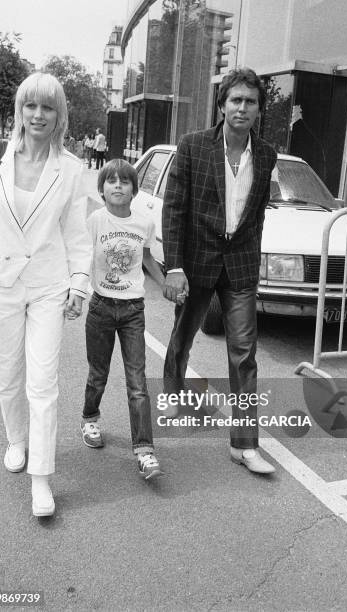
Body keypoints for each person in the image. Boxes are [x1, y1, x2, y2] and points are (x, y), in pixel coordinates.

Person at [0, 72, 91, 516]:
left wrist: (80, 283)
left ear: (59, 115)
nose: (38, 115)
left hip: (47, 286)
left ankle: (42, 478)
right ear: (20, 109)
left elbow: (76, 234)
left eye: (48, 107)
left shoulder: (72, 169)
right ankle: (17, 439)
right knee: (7, 376)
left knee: (43, 382)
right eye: (30, 106)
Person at [162, 67, 276, 475]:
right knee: (183, 336)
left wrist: (254, 260)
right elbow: (173, 209)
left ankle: (244, 446)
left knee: (244, 356)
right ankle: (173, 392)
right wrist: (174, 266)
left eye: (250, 102)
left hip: (241, 267)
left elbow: (257, 214)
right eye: (236, 100)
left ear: (259, 110)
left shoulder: (266, 154)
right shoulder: (193, 146)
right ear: (222, 105)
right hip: (195, 265)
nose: (242, 107)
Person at [80, 159, 164, 480]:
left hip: (132, 311)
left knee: (137, 381)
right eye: (111, 181)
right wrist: (70, 288)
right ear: (102, 189)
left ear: (134, 190)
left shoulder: (144, 224)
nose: (117, 185)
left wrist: (166, 282)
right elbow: (79, 254)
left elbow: (147, 259)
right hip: (101, 306)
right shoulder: (95, 221)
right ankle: (90, 418)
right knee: (98, 373)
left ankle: (144, 451)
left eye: (124, 181)